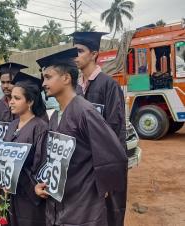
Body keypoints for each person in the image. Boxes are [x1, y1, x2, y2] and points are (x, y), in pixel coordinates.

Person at [34, 48, 128, 226]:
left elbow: (113, 154)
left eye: (48, 77)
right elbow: (54, 158)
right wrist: (43, 181)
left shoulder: (85, 111)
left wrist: (104, 187)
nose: (44, 83)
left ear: (66, 78)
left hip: (83, 204)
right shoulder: (55, 116)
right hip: (58, 201)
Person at [70, 31, 128, 226]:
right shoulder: (76, 89)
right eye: (73, 51)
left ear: (94, 54)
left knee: (109, 213)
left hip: (103, 166)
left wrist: (109, 174)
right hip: (82, 168)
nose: (75, 56)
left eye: (79, 51)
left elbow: (116, 131)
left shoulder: (109, 86)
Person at [0, 72, 48, 226]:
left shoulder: (40, 128)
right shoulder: (11, 126)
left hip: (30, 196)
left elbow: (41, 165)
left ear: (29, 101)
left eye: (17, 98)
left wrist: (28, 184)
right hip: (11, 194)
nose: (11, 102)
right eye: (11, 98)